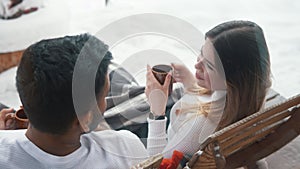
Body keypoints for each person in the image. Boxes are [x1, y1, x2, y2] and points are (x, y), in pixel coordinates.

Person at [0, 34, 148, 168]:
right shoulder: (124, 149)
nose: (106, 101)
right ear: (85, 119)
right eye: (104, 96)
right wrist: (157, 116)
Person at [145, 20, 271, 160]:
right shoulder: (249, 97)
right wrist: (190, 84)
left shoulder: (199, 129)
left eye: (209, 66)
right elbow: (212, 99)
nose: (197, 65)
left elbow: (157, 164)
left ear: (231, 81)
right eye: (201, 53)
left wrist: (157, 113)